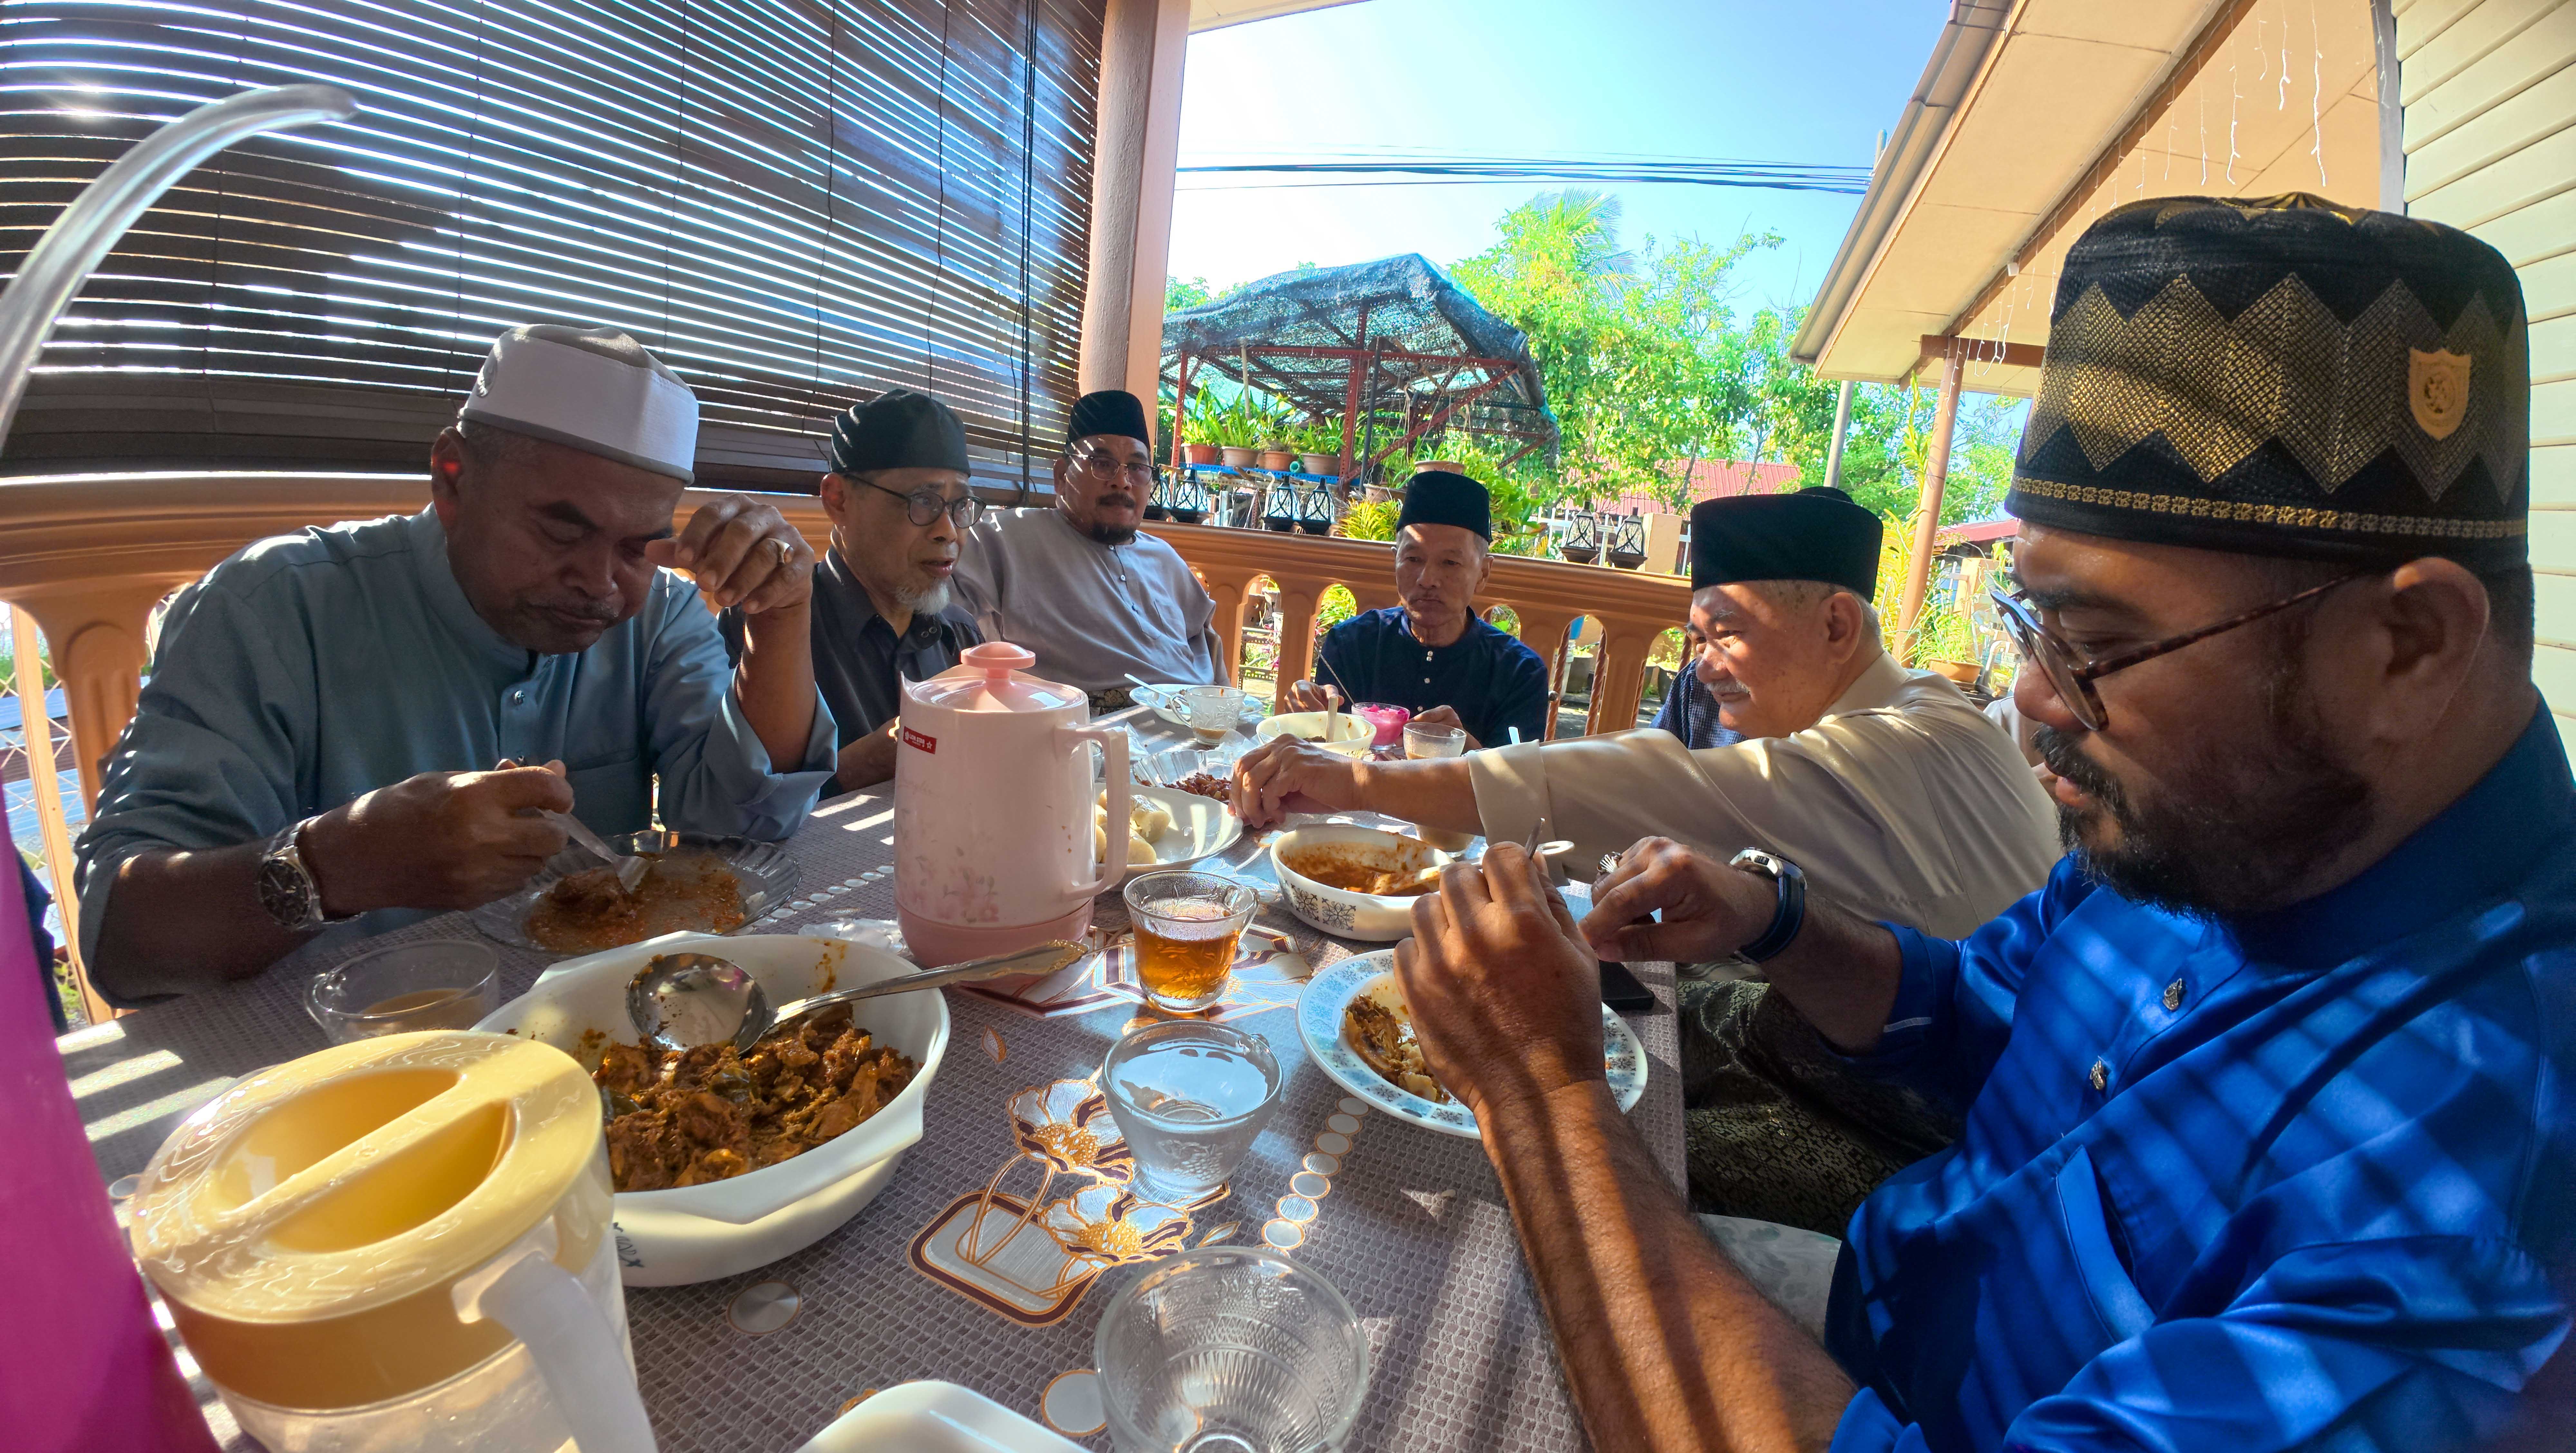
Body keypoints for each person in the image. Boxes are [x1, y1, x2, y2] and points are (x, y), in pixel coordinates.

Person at [1390, 195, 2573, 1452]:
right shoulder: (2223, 830)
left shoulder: (2476, 1188)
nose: (2033, 700)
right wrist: (1771, 918)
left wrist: (1546, 1094)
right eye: (2031, 625)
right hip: (1869, 1315)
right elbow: (1975, 1010)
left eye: (2097, 643)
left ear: (2405, 648)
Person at [75, 324, 838, 1003]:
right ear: (451, 479)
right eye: (560, 532)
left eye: (638, 547)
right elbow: (124, 943)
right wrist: (340, 865)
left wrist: (781, 615)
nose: (601, 583)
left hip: (609, 1031)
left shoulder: (657, 614)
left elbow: (749, 827)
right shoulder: (269, 610)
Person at [1234, 483, 2057, 938]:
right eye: (1696, 638)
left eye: (1726, 633)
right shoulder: (1922, 705)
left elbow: (1651, 780)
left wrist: (1356, 782)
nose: (1702, 666)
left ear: (1837, 627)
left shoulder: (1898, 742)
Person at [723, 388, 980, 794]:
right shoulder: (767, 624)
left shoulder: (960, 635)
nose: (948, 532)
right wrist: (862, 766)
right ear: (839, 500)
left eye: (961, 505)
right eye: (923, 501)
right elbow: (728, 808)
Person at [952, 389, 1224, 711]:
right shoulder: (1004, 539)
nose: (1122, 482)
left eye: (1137, 468)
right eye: (1102, 464)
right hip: (1084, 729)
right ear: (1061, 477)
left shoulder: (1165, 559)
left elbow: (1209, 658)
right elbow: (941, 623)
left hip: (1193, 724)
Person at [1283, 470, 1549, 749]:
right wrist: (1307, 716)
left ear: (1483, 573)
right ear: (1395, 561)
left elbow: (1519, 775)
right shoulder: (1351, 644)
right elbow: (1322, 754)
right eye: (1413, 559)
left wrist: (1463, 746)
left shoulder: (1519, 672)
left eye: (1450, 563)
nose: (1427, 580)